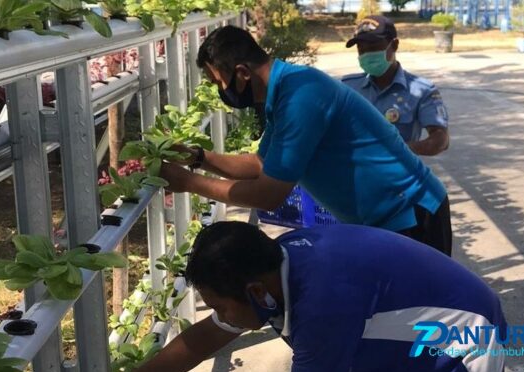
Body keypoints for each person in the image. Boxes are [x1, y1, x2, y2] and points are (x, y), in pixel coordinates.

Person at [162, 25, 452, 255]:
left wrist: (188, 183)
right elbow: (261, 165)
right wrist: (198, 158)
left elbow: (268, 195)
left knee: (415, 319)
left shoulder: (301, 94)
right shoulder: (284, 91)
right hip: (382, 220)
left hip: (411, 215)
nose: (220, 91)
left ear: (242, 72)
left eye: (218, 83)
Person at [136, 221, 507, 372]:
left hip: (468, 340)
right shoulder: (272, 262)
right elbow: (206, 337)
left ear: (255, 292)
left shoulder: (322, 307)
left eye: (219, 306)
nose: (221, 316)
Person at [343, 15, 450, 156]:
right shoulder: (347, 88)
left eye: (374, 47)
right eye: (361, 50)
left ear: (394, 45)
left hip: (397, 174)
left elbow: (440, 139)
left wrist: (397, 151)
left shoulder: (421, 90)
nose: (367, 54)